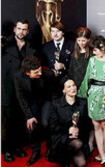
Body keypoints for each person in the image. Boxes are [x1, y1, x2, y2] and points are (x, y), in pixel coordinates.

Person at [78, 35, 105, 166]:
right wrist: (82, 93)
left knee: (104, 123)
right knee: (96, 125)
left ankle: (104, 149)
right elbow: (87, 78)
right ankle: (103, 155)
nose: (93, 52)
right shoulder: (92, 60)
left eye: (95, 50)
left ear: (102, 47)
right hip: (93, 94)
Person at [1, 19, 35, 162]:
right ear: (15, 29)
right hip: (7, 88)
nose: (21, 32)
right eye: (19, 28)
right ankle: (7, 149)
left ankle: (17, 147)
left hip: (23, 88)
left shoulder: (31, 47)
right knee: (7, 121)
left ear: (27, 31)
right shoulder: (4, 45)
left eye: (24, 29)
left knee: (20, 119)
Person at [13, 56, 53, 165]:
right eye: (36, 72)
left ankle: (50, 149)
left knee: (46, 123)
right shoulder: (18, 77)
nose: (40, 73)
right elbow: (21, 98)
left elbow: (52, 93)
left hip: (46, 100)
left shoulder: (47, 73)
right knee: (32, 125)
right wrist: (29, 116)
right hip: (31, 102)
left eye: (40, 69)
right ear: (27, 73)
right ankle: (36, 151)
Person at [47, 79, 91, 167]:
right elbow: (52, 126)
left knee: (81, 164)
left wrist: (78, 129)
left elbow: (88, 124)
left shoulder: (83, 103)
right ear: (64, 90)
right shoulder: (56, 104)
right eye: (69, 86)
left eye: (74, 85)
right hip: (61, 137)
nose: (73, 88)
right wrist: (68, 130)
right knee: (76, 144)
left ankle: (67, 156)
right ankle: (64, 159)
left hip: (78, 137)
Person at [41, 21, 74, 99]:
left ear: (63, 32)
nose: (55, 34)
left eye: (58, 31)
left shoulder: (72, 45)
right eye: (52, 31)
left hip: (67, 82)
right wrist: (50, 72)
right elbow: (42, 66)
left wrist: (64, 66)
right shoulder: (45, 47)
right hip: (51, 84)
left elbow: (76, 65)